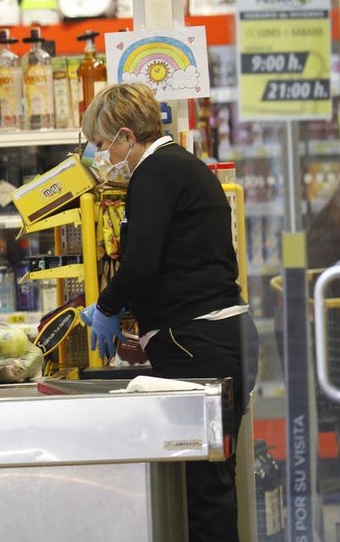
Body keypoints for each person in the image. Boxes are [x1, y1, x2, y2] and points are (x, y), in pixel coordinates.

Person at [78, 83, 259, 542]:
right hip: (216, 336)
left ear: (124, 136)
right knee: (211, 483)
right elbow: (182, 261)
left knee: (202, 491)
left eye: (101, 145)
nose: (101, 155)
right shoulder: (182, 166)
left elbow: (141, 264)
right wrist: (152, 336)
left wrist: (106, 307)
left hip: (199, 342)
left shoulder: (153, 173)